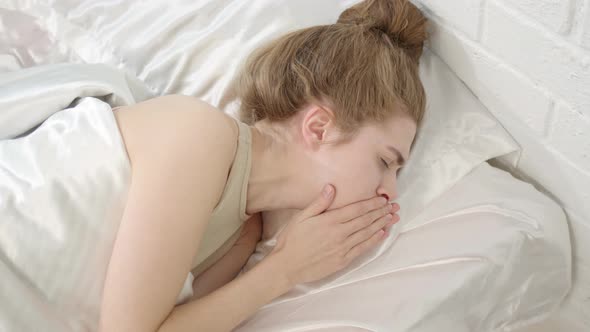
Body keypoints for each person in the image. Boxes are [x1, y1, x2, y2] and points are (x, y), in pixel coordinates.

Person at [99, 0, 428, 330]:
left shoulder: (243, 237)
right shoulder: (200, 134)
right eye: (385, 161)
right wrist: (284, 270)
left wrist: (283, 265)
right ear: (318, 128)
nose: (392, 192)